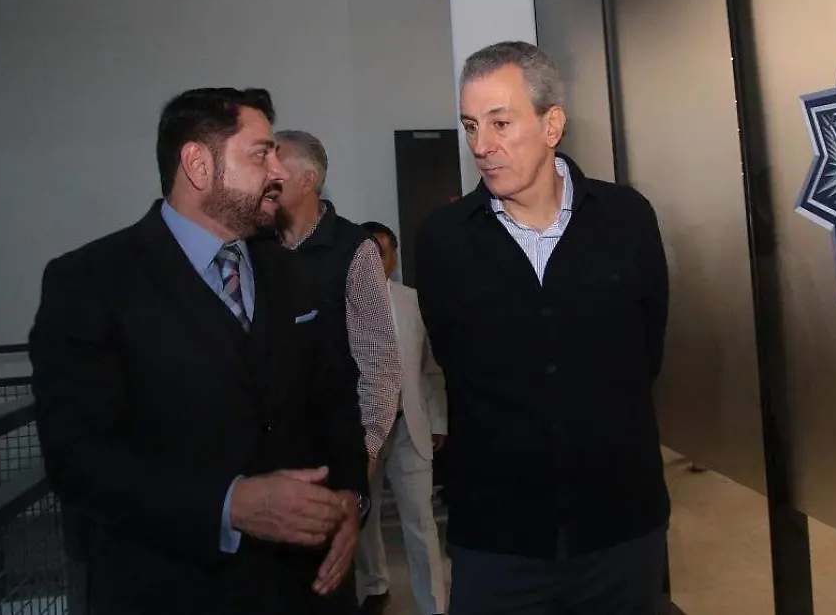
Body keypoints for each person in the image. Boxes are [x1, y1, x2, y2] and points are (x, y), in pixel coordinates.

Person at [29, 88, 370, 615]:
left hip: (306, 587)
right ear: (197, 164)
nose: (278, 172)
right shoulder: (91, 282)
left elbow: (336, 398)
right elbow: (79, 458)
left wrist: (350, 499)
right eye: (261, 154)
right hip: (171, 587)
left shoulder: (290, 273)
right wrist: (229, 505)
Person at [416, 41, 671, 615]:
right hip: (497, 541)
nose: (481, 145)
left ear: (552, 124)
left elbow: (645, 355)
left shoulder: (627, 220)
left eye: (500, 123)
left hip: (620, 530)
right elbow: (457, 364)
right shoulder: (444, 240)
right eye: (470, 126)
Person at [273, 130, 402, 482]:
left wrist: (368, 447)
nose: (265, 176)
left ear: (307, 180)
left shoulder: (354, 247)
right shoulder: (252, 244)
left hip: (335, 444)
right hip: (267, 451)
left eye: (276, 168)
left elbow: (379, 356)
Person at [353, 222, 448, 615]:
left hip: (411, 426)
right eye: (368, 252)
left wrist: (438, 419)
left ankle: (434, 605)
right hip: (364, 430)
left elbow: (429, 367)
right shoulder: (344, 300)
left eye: (383, 252)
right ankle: (375, 589)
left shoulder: (414, 301)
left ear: (393, 258)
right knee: (365, 518)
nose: (376, 260)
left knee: (421, 521)